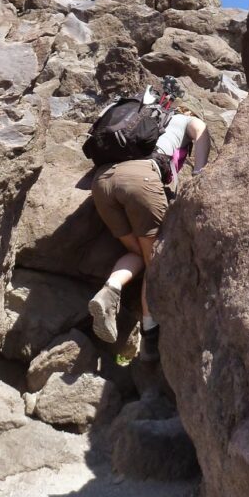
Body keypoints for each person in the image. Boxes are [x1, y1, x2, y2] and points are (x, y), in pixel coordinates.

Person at [88, 106, 209, 361]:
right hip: (141, 178)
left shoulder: (140, 120)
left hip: (101, 183)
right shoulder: (186, 120)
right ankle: (150, 334)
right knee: (155, 258)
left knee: (139, 252)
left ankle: (110, 288)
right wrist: (199, 172)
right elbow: (202, 131)